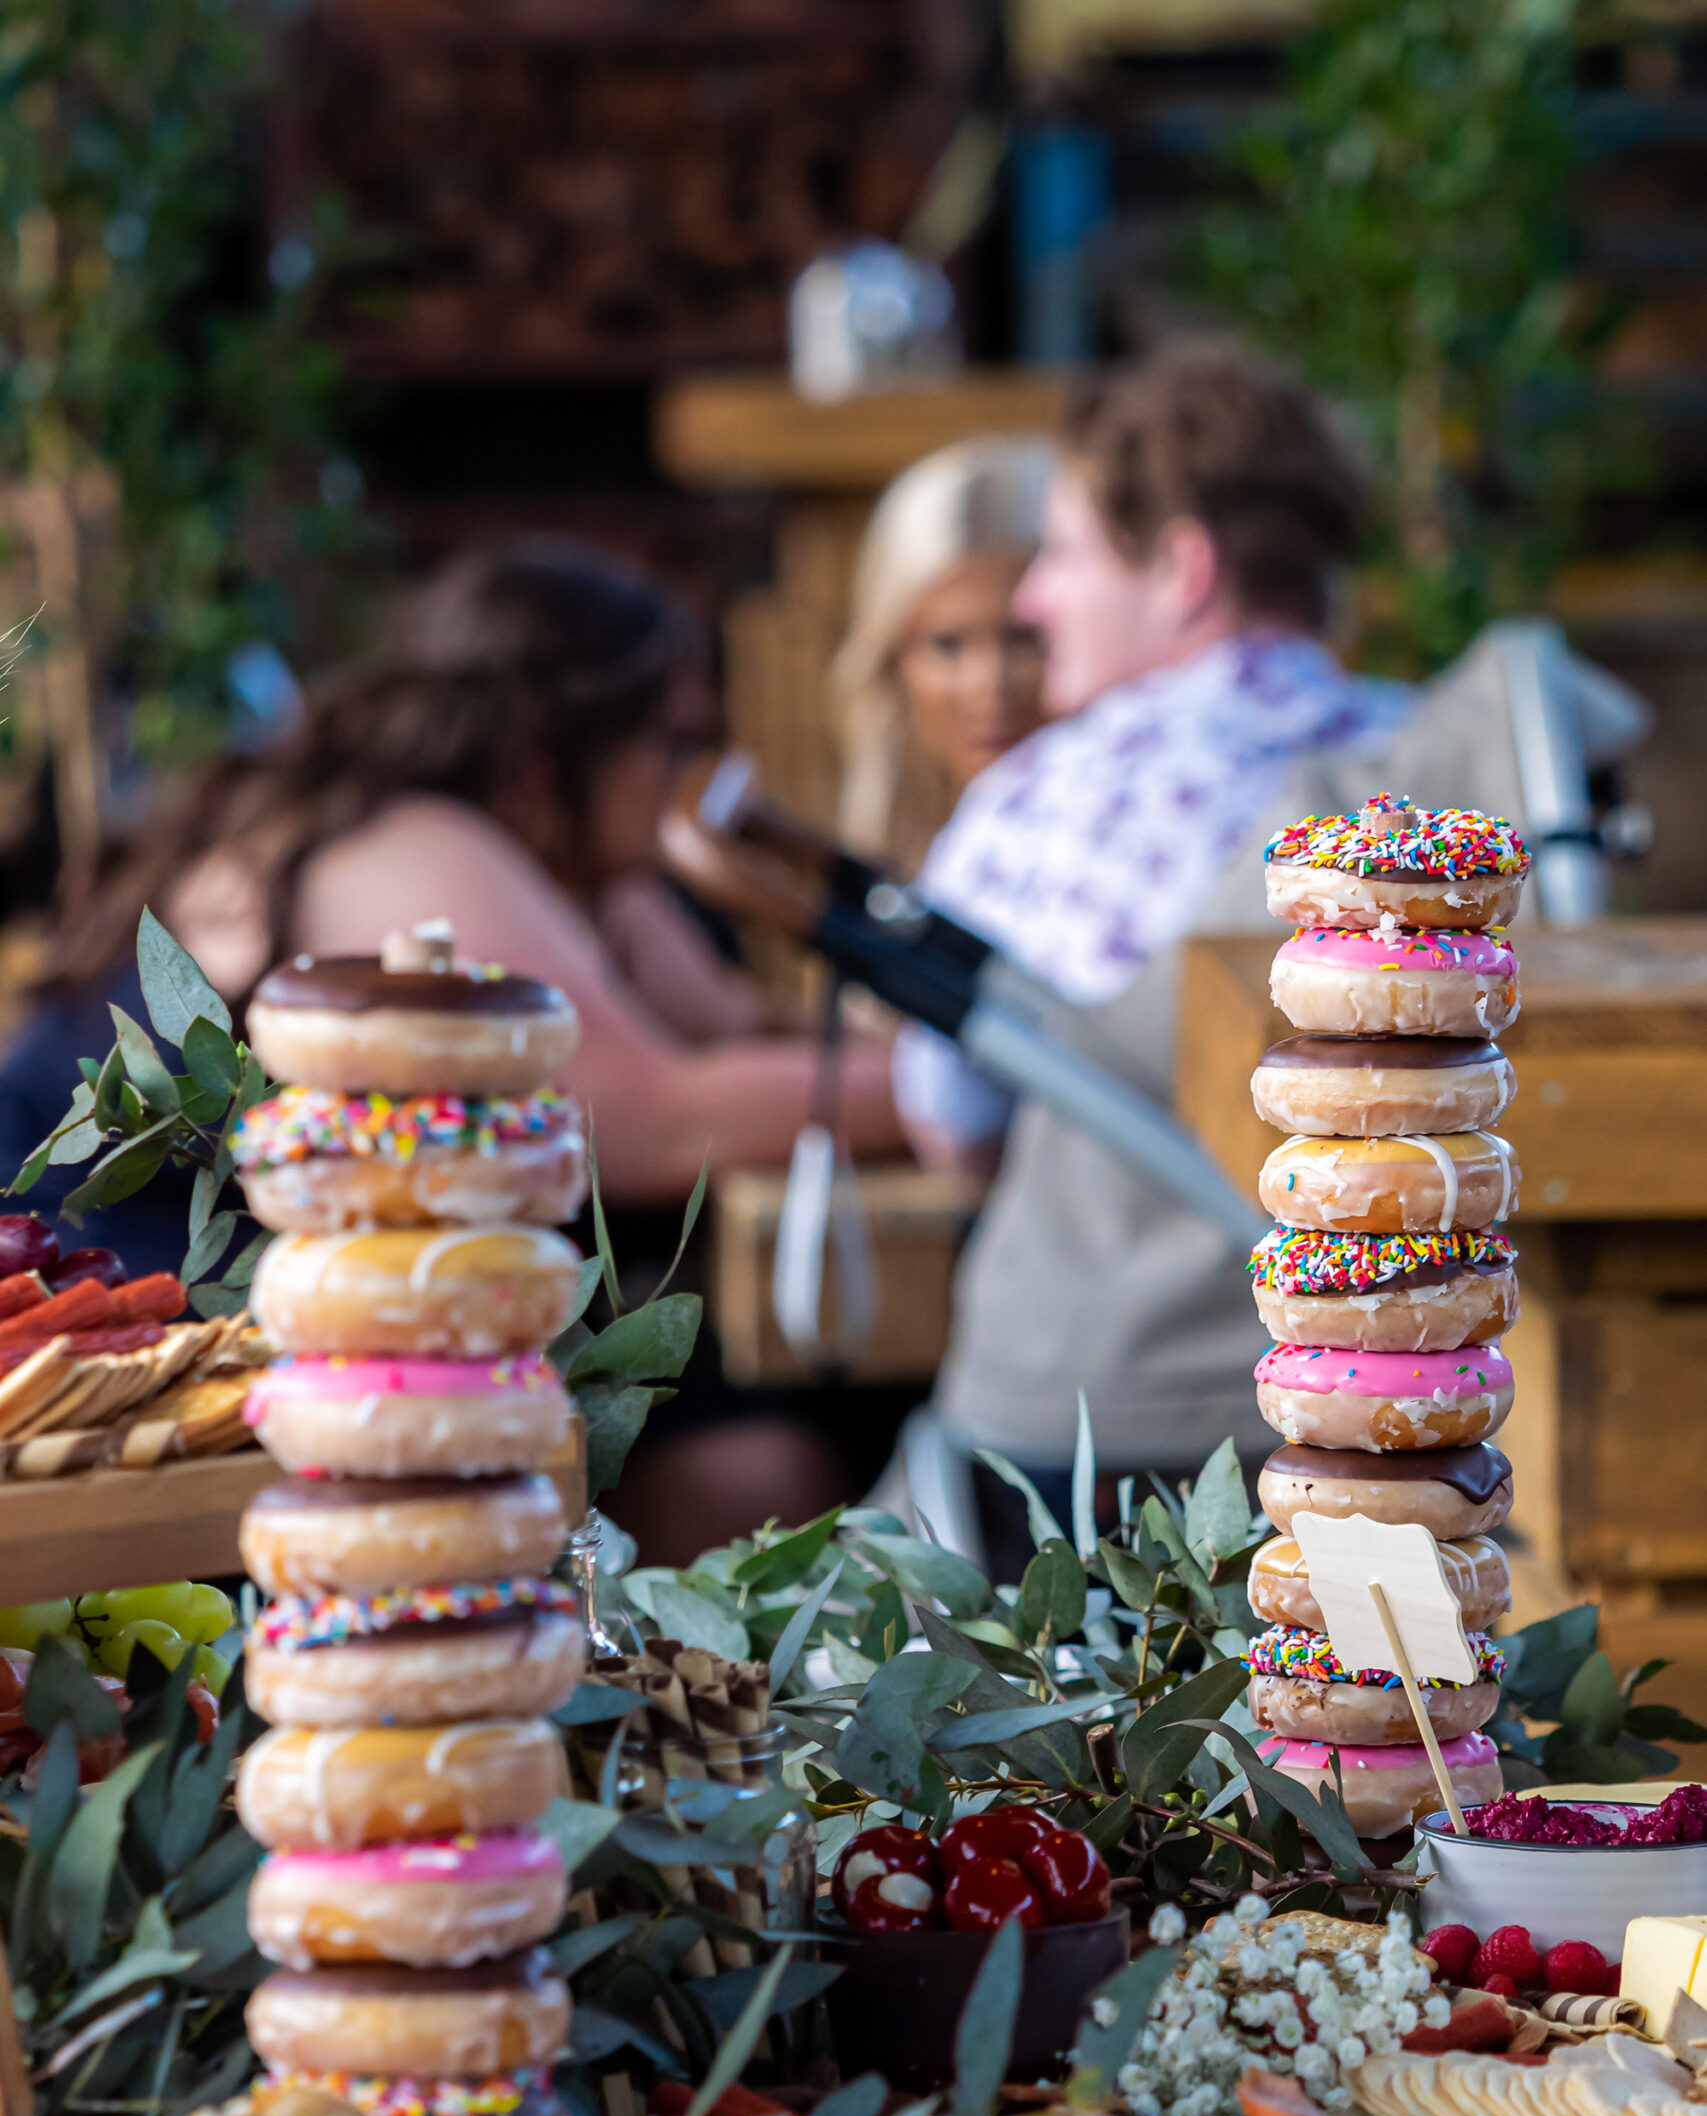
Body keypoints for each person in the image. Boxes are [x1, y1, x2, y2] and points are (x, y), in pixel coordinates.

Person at [0, 539, 904, 1554]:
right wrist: (968, 1085)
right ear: (547, 751)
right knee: (764, 1461)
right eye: (672, 742)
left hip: (309, 1323)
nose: (690, 783)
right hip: (106, 1333)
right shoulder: (408, 847)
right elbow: (643, 1120)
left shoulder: (564, 866)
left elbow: (729, 1026)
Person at [891, 338, 1410, 1556]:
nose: (1031, 600)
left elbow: (949, 1125)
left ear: (1182, 568)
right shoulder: (1435, 768)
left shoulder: (1046, 805)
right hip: (1395, 1403)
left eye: (1064, 551)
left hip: (1094, 1429)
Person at [830, 436, 1052, 872]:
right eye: (947, 644)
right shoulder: (870, 856)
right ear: (892, 661)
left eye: (1024, 638)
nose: (990, 683)